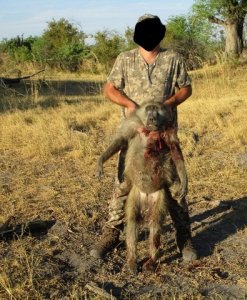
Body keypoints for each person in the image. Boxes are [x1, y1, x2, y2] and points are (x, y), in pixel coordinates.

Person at [90, 14, 197, 261]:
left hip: (164, 134)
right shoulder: (125, 59)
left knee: (174, 184)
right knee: (124, 182)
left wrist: (169, 103)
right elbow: (109, 89)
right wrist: (128, 104)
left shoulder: (173, 59)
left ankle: (184, 236)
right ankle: (112, 231)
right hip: (134, 135)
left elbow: (186, 88)